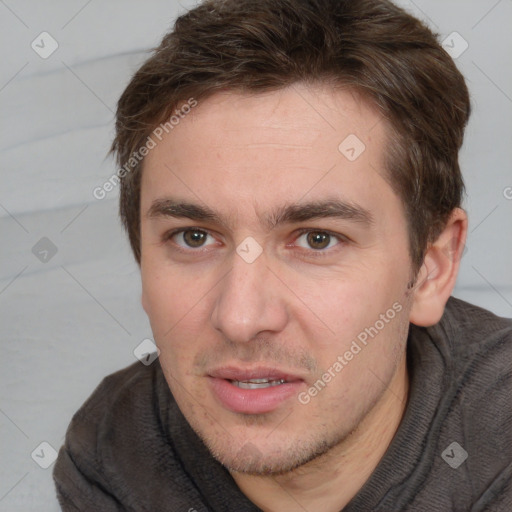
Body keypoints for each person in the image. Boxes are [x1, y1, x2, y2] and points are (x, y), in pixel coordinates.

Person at [53, 0, 512, 510]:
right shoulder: (115, 451)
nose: (241, 318)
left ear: (432, 267)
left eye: (317, 239)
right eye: (194, 237)